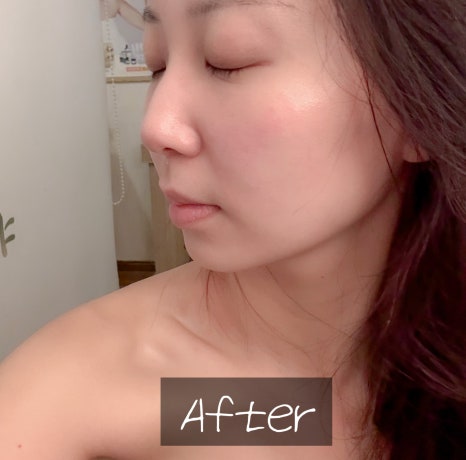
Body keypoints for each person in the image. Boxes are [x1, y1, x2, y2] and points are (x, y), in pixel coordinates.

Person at [0, 0, 464, 458]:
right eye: (157, 63)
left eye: (228, 60)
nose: (156, 127)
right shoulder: (67, 398)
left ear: (420, 107)